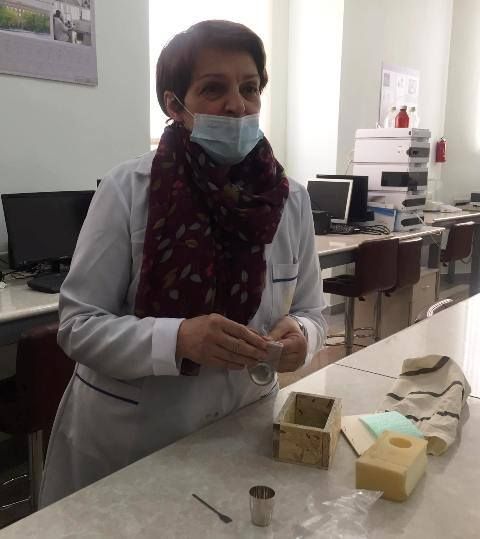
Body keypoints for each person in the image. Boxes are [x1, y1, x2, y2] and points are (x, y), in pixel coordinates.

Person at [39, 20, 327, 507]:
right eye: (214, 89)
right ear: (175, 105)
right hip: (133, 438)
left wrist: (304, 337)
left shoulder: (288, 199)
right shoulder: (128, 189)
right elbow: (78, 326)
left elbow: (312, 312)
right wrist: (177, 340)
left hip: (243, 421)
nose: (237, 105)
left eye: (249, 88)